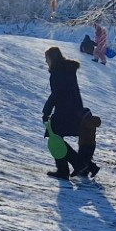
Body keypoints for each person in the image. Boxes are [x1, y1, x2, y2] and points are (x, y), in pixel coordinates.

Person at [42, 46, 99, 180]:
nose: (46, 62)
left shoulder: (58, 72)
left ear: (52, 58)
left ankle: (68, 168)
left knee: (55, 137)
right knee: (56, 137)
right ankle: (87, 166)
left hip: (64, 110)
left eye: (47, 59)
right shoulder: (67, 70)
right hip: (73, 109)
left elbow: (56, 94)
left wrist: (46, 111)